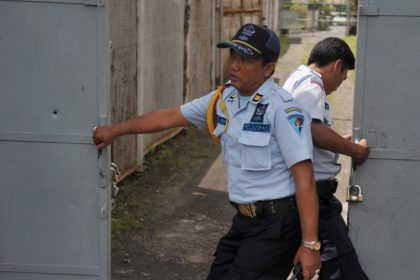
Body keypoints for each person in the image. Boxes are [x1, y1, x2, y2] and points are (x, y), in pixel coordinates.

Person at [94, 23, 321, 280]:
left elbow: (305, 178)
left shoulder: (283, 109)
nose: (233, 65)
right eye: (232, 55)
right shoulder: (226, 98)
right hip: (244, 221)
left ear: (268, 69)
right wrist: (116, 130)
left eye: (244, 59)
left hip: (275, 226)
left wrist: (309, 244)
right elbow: (170, 116)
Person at [283, 37, 370, 279]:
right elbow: (311, 129)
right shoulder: (312, 86)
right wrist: (355, 151)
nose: (339, 86)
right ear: (336, 66)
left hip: (307, 194)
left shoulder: (296, 79)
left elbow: (305, 133)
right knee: (344, 270)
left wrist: (339, 140)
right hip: (315, 197)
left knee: (315, 266)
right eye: (343, 79)